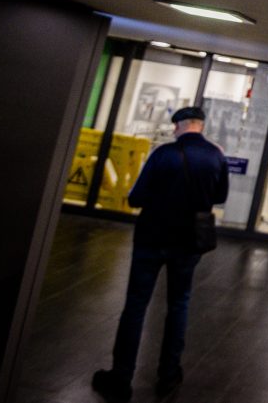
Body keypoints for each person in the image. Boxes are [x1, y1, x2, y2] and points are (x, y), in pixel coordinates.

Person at [92, 106, 228, 401]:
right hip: (189, 242)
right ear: (201, 126)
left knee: (136, 305)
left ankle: (121, 377)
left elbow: (136, 197)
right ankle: (169, 374)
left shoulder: (164, 154)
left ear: (179, 126)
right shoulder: (216, 155)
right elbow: (220, 196)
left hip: (151, 238)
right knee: (179, 304)